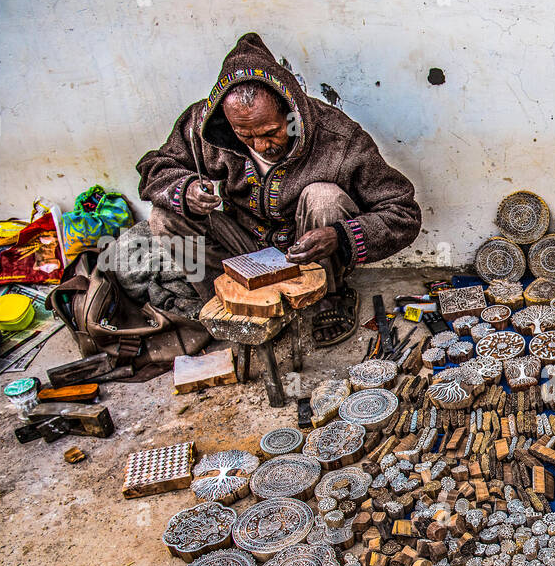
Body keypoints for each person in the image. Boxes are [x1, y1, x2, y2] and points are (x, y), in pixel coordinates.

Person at [137, 32, 420, 345]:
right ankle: (236, 304)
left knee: (323, 198)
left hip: (307, 254)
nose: (261, 145)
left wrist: (339, 235)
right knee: (164, 216)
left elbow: (403, 213)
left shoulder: (337, 138)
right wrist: (186, 189)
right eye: (245, 135)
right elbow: (154, 168)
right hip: (246, 245)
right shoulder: (204, 126)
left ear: (291, 112)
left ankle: (327, 298)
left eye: (271, 132)